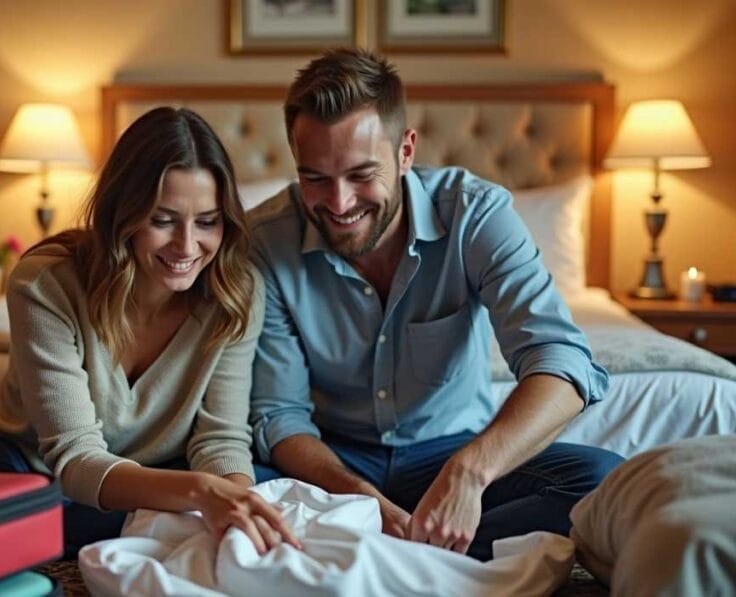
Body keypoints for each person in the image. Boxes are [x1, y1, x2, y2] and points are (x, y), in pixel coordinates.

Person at [248, 48, 624, 561]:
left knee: (600, 481)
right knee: (220, 488)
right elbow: (281, 416)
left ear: (406, 152)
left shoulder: (476, 214)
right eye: (315, 177)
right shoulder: (264, 242)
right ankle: (435, 557)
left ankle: (370, 554)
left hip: (451, 449)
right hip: (332, 458)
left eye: (361, 174)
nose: (338, 204)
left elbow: (561, 364)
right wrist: (357, 497)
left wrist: (469, 474)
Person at [0, 107, 299, 558]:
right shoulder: (47, 281)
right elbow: (75, 460)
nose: (187, 245)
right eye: (162, 220)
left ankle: (4, 544)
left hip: (156, 484)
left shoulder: (236, 291)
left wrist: (230, 502)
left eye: (208, 221)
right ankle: (107, 536)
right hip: (35, 476)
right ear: (124, 213)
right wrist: (199, 494)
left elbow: (220, 439)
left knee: (270, 482)